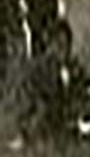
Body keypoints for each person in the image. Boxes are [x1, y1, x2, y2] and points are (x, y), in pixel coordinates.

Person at [0, 20, 73, 149]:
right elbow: (48, 98)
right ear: (51, 44)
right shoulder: (45, 66)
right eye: (60, 45)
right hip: (30, 114)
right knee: (42, 107)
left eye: (67, 46)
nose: (64, 51)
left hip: (38, 114)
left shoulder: (64, 67)